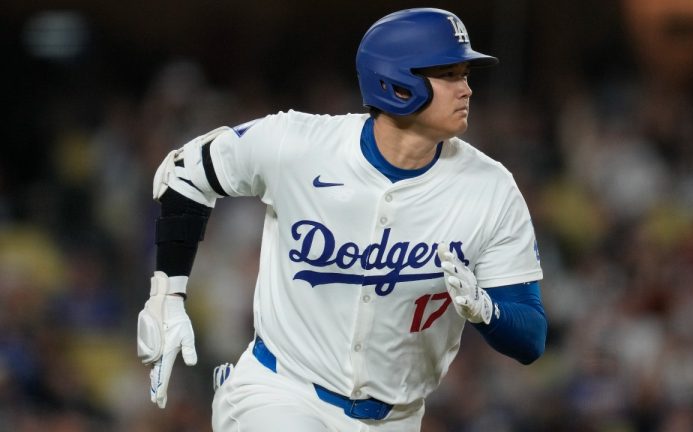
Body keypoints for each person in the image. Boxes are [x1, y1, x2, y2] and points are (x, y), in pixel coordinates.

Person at [137, 7, 548, 431]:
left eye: (465, 75)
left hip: (399, 418)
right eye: (449, 74)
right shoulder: (298, 145)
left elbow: (531, 337)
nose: (466, 90)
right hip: (281, 393)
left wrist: (488, 313)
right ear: (397, 83)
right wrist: (166, 296)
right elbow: (183, 173)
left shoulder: (491, 188)